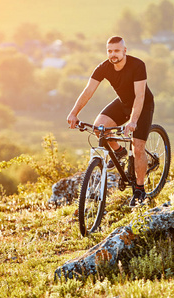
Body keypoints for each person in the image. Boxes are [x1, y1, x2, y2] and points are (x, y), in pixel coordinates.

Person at [67, 36, 154, 206]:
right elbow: (88, 91)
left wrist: (133, 121)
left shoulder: (138, 65)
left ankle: (140, 190)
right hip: (123, 103)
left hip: (142, 105)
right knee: (100, 128)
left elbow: (140, 96)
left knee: (137, 147)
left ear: (124, 51)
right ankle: (120, 151)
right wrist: (73, 113)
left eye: (116, 50)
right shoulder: (104, 68)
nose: (113, 54)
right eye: (109, 51)